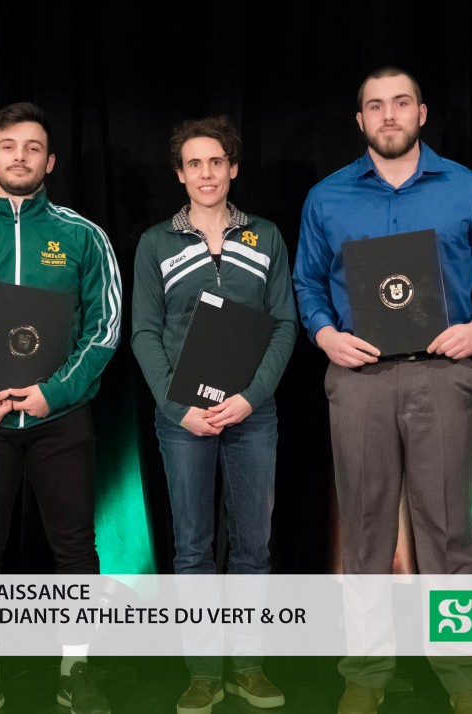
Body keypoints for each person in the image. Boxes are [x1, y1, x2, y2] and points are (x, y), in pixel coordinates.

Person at [293, 67, 472, 714]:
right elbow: (308, 282)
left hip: (442, 377)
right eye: (374, 106)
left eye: (399, 103)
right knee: (363, 535)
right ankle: (365, 674)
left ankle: (464, 678)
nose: (388, 115)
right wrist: (323, 334)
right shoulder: (326, 198)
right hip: (357, 379)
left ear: (422, 112)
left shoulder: (469, 190)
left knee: (449, 532)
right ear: (359, 121)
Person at [0, 102, 120, 714]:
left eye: (32, 147)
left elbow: (105, 327)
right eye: (9, 146)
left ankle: (76, 671)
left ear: (50, 161)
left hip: (60, 420)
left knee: (76, 549)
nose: (20, 157)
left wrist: (52, 393)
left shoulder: (83, 235)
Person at [131, 116, 297, 714]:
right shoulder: (156, 243)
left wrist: (251, 398)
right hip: (185, 421)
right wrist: (179, 410)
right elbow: (144, 335)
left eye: (216, 162)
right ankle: (202, 673)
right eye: (194, 164)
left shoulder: (267, 236)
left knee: (254, 547)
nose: (206, 173)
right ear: (180, 174)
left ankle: (248, 667)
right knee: (194, 548)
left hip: (254, 414)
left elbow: (285, 324)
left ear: (233, 168)